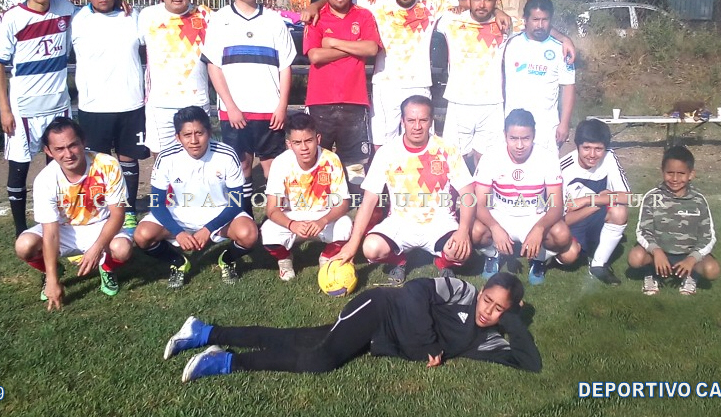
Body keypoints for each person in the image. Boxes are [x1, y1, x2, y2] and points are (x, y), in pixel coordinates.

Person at [163, 272, 541, 382]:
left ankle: (205, 333)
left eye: (498, 309)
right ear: (482, 292)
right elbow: (414, 290)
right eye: (488, 301)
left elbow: (529, 363)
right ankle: (225, 362)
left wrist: (511, 321)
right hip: (377, 309)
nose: (487, 311)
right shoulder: (462, 292)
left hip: (377, 337)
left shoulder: (486, 339)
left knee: (296, 339)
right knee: (319, 360)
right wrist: (426, 344)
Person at [329, 95, 475, 285]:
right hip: (400, 222)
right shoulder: (387, 152)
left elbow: (468, 193)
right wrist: (352, 244)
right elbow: (369, 201)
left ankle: (442, 262)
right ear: (402, 121)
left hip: (439, 222)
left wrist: (463, 230)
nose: (417, 126)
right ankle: (400, 261)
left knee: (461, 252)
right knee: (371, 248)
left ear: (431, 121)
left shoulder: (447, 150)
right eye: (411, 120)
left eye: (423, 120)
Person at [437, 0, 577, 168]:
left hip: (493, 104)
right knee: (453, 159)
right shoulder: (451, 20)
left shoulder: (507, 25)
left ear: (495, 0)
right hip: (458, 102)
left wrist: (565, 38)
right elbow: (423, 5)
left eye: (488, 0)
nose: (482, 4)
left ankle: (483, 189)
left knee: (487, 160)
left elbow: (536, 24)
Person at [202, 0, 298, 213]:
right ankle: (243, 218)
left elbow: (285, 67)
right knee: (241, 166)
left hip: (269, 110)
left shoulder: (274, 20)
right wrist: (230, 106)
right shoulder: (219, 19)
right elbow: (214, 66)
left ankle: (277, 221)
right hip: (236, 112)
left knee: (273, 168)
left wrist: (282, 106)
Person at [14, 117, 132, 311]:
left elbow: (118, 214)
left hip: (101, 225)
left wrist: (96, 249)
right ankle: (53, 271)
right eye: (59, 149)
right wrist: (52, 280)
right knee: (24, 245)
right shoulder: (45, 180)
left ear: (83, 142)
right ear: (48, 151)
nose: (68, 154)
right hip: (64, 229)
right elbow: (51, 232)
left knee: (122, 249)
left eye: (72, 145)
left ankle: (107, 268)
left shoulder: (108, 164)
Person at [0, 0, 75, 236]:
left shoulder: (66, 9)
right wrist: (4, 109)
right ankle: (20, 230)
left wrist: (120, 4)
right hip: (24, 110)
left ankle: (60, 224)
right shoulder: (12, 17)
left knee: (59, 169)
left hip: (58, 106)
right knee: (19, 168)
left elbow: (95, 13)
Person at [133, 106, 258, 287]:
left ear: (209, 132)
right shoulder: (166, 157)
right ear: (178, 137)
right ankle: (178, 262)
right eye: (187, 135)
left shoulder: (227, 154)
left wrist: (208, 229)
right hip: (179, 213)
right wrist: (178, 232)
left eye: (199, 133)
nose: (194, 141)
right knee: (142, 235)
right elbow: (156, 203)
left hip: (219, 212)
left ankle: (227, 259)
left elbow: (237, 203)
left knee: (249, 234)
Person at [70, 0, 146, 231]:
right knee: (98, 162)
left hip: (130, 102)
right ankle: (102, 209)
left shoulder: (133, 16)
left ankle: (129, 210)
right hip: (94, 106)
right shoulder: (76, 20)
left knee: (128, 159)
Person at [472, 109, 577, 286]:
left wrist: (539, 228)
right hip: (500, 215)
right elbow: (479, 204)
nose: (519, 145)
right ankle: (492, 255)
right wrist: (495, 227)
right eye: (513, 138)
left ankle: (539, 259)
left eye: (525, 138)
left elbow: (556, 206)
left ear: (534, 135)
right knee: (475, 231)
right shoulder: (491, 156)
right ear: (505, 135)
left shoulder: (547, 157)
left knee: (562, 235)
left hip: (534, 216)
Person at [365, 0, 462, 148]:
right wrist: (314, 7)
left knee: (422, 142)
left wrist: (497, 12)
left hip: (419, 84)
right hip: (386, 86)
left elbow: (472, 3)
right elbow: (339, 1)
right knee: (383, 143)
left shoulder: (431, 6)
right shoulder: (378, 6)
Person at [303, 0, 381, 190]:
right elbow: (315, 55)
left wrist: (333, 43)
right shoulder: (317, 17)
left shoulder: (363, 15)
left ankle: (354, 202)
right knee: (318, 160)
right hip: (320, 103)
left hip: (354, 101)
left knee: (355, 164)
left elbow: (371, 48)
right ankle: (318, 200)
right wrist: (355, 48)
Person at [261, 112, 353, 281]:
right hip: (292, 216)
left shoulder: (331, 160)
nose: (304, 148)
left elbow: (343, 203)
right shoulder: (280, 163)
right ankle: (284, 259)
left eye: (308, 140)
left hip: (323, 216)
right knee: (267, 231)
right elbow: (272, 209)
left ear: (318, 138)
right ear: (289, 144)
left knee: (346, 225)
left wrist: (323, 221)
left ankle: (327, 257)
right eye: (297, 142)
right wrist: (291, 224)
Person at [137, 0, 213, 155]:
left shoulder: (206, 15)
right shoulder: (147, 16)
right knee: (162, 161)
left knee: (199, 158)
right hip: (160, 105)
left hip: (197, 101)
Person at [628, 145, 720, 296]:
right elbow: (643, 231)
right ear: (662, 172)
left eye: (681, 173)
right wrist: (656, 251)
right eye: (670, 173)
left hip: (688, 254)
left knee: (712, 270)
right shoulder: (652, 197)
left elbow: (708, 237)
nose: (675, 179)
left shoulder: (699, 201)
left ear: (691, 174)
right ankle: (651, 273)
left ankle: (690, 275)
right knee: (635, 257)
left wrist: (692, 258)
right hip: (658, 254)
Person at [560, 118, 632, 285]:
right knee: (569, 256)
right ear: (577, 146)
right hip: (572, 224)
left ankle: (599, 264)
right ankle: (547, 257)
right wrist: (597, 203)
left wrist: (588, 200)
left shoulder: (609, 157)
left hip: (594, 218)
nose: (592, 155)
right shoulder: (563, 168)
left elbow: (627, 197)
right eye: (586, 148)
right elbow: (563, 220)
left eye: (598, 149)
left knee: (619, 211)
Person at [501, 0, 576, 154]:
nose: (540, 25)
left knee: (546, 168)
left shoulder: (562, 49)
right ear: (525, 19)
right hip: (515, 126)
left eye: (545, 20)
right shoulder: (510, 43)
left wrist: (564, 123)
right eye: (535, 19)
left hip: (546, 126)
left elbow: (568, 87)